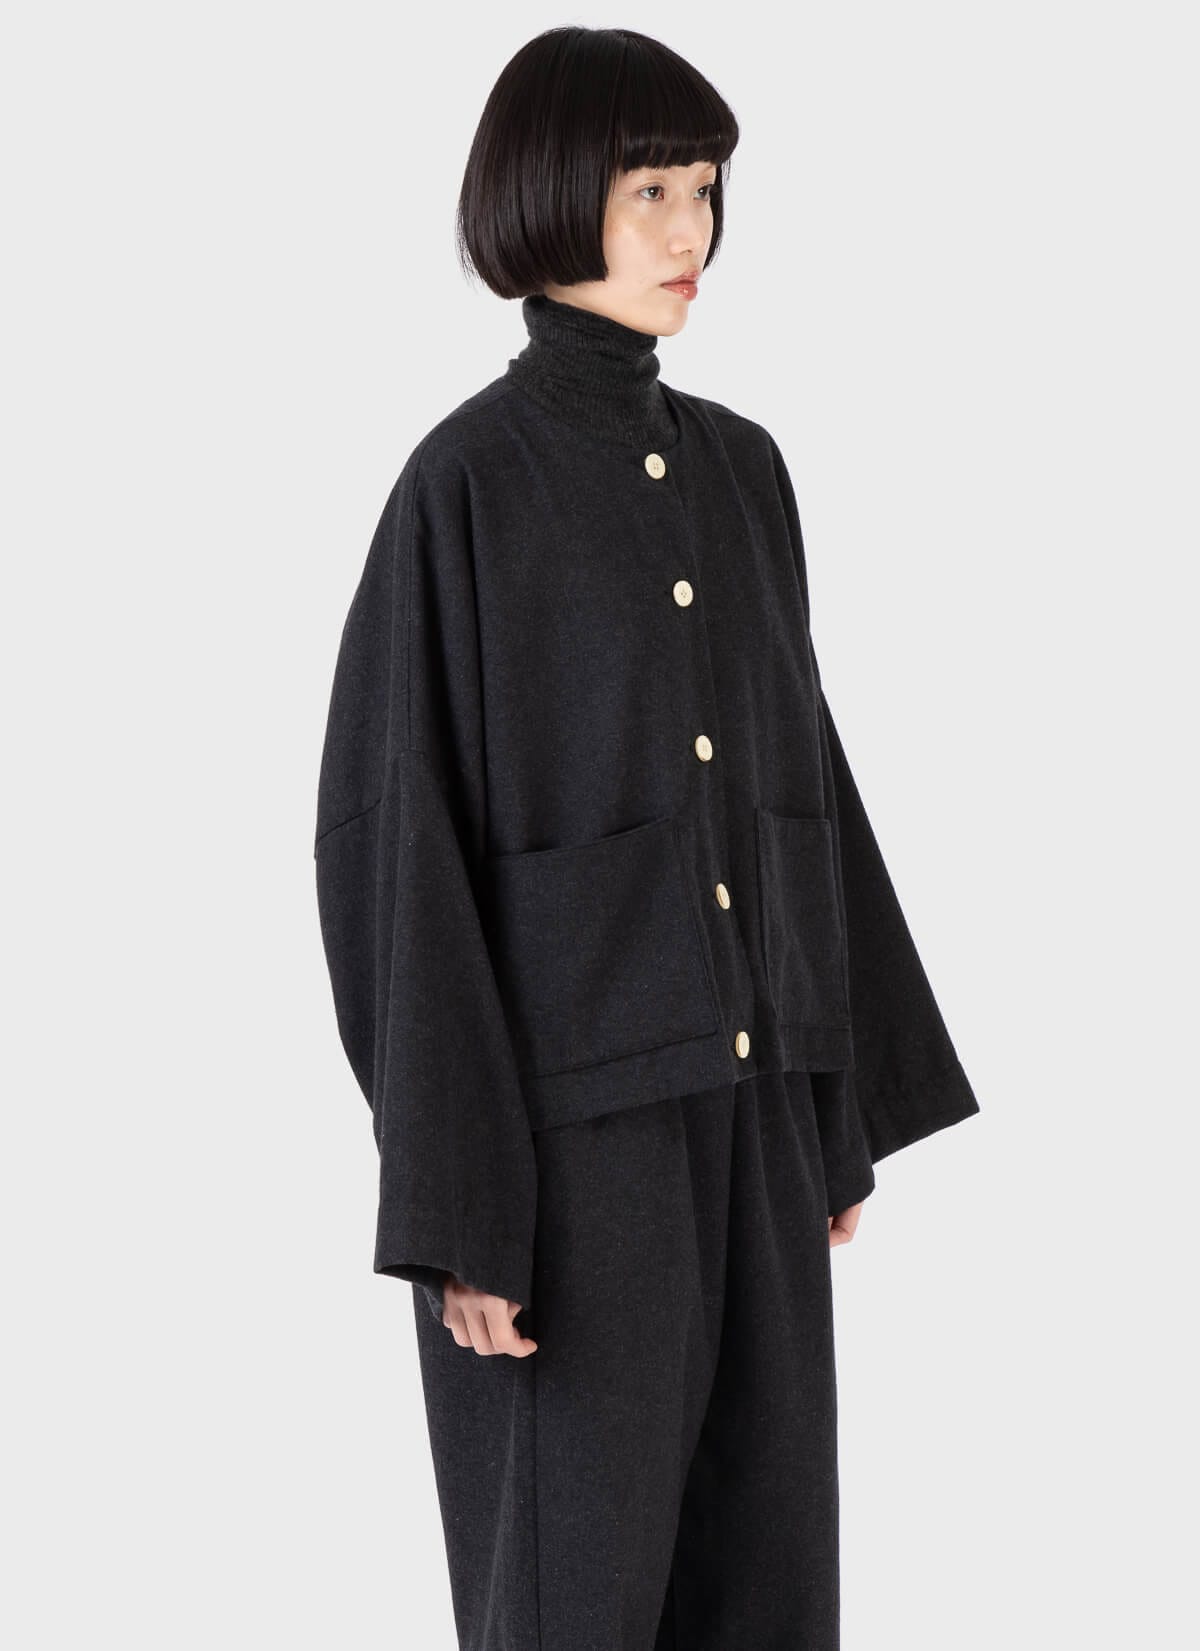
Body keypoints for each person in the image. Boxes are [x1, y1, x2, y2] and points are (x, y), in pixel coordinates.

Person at [313, 24, 979, 1651]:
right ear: (551, 199)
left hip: (754, 1121)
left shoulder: (747, 473)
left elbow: (801, 780)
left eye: (706, 190)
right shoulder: (462, 489)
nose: (692, 233)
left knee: (767, 1585)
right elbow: (395, 855)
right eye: (649, 192)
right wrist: (461, 1208)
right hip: (570, 1163)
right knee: (576, 1601)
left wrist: (836, 1103)